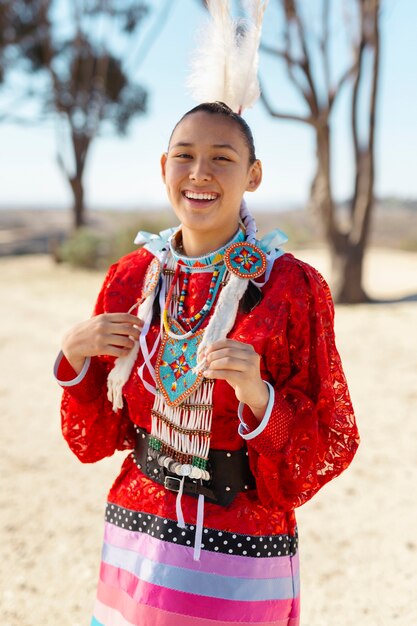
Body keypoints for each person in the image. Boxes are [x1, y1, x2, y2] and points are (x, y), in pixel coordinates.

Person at [54, 101, 359, 626]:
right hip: (136, 535)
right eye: (185, 156)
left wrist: (259, 398)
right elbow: (96, 439)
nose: (200, 173)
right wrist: (73, 356)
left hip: (238, 548)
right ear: (163, 167)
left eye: (222, 158)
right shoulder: (130, 279)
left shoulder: (289, 288)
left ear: (253, 174)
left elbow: (333, 438)